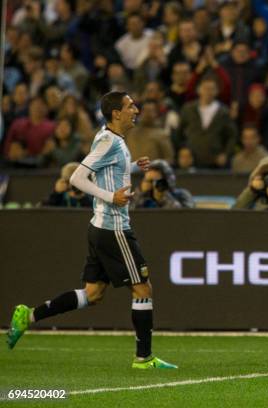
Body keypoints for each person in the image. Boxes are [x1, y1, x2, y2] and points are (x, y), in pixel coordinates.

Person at [6, 91, 177, 370]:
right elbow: (77, 177)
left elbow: (104, 172)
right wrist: (112, 198)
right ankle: (144, 359)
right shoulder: (110, 140)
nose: (136, 109)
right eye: (130, 106)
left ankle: (29, 317)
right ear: (116, 114)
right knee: (143, 288)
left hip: (99, 226)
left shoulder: (111, 139)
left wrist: (133, 167)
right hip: (114, 227)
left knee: (93, 294)